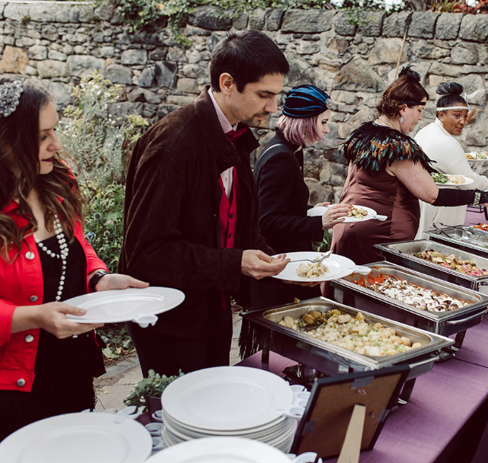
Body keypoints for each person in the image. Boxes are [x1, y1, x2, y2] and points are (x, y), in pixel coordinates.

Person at [118, 30, 291, 378]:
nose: (273, 107)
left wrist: (284, 268)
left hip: (210, 307)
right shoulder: (172, 145)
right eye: (264, 95)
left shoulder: (234, 133)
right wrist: (235, 262)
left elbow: (232, 225)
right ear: (227, 83)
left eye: (275, 96)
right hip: (169, 320)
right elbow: (146, 254)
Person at [0, 80, 147, 440]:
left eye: (55, 131)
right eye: (42, 136)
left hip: (71, 366)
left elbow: (77, 247)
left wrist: (99, 279)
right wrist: (33, 316)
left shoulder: (58, 183)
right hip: (13, 388)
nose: (57, 145)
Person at [330, 67, 488, 266]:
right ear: (403, 109)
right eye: (419, 111)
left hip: (350, 224)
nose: (420, 118)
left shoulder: (366, 133)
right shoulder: (397, 148)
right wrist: (480, 196)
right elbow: (432, 195)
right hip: (377, 237)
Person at [252, 85, 348, 307]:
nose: (326, 130)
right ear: (305, 121)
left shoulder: (291, 149)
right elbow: (265, 221)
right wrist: (318, 222)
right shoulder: (281, 158)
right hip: (281, 268)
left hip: (287, 263)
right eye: (323, 122)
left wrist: (310, 210)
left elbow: (281, 206)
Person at [414, 82, 488, 238]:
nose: (463, 121)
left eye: (464, 116)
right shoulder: (446, 142)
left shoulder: (427, 130)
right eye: (457, 115)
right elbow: (471, 182)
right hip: (437, 212)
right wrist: (486, 183)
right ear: (441, 115)